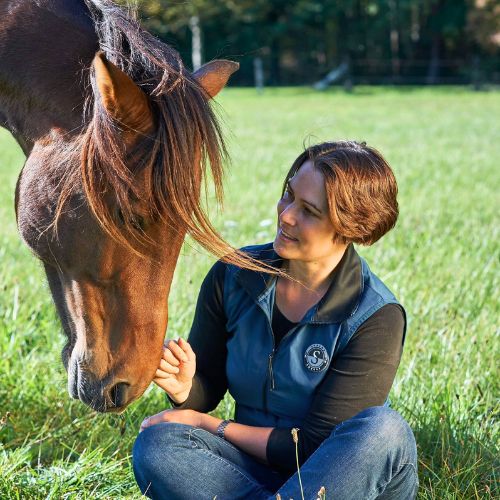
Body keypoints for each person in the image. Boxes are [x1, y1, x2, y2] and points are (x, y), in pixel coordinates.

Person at [132, 141, 418, 499]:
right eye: (288, 195)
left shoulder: (377, 317)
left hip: (342, 479)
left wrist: (210, 425)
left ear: (351, 229)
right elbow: (208, 388)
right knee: (157, 445)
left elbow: (312, 444)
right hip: (250, 469)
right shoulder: (232, 276)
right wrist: (185, 388)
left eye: (309, 211)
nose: (286, 214)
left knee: (384, 430)